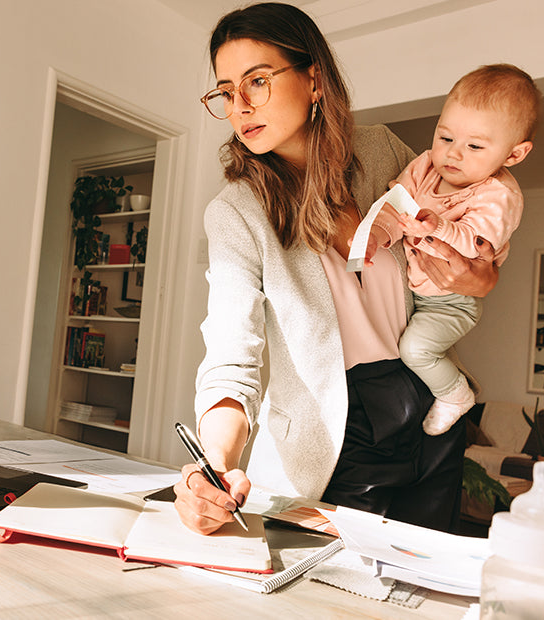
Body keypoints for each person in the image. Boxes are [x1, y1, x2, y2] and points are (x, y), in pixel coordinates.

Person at [175, 2, 498, 536]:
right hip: (338, 428)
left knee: (423, 577)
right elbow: (233, 354)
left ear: (315, 78)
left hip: (428, 396)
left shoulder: (382, 150)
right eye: (227, 91)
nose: (240, 106)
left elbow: (461, 238)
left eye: (257, 81)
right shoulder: (236, 213)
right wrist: (216, 461)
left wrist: (483, 277)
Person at [365, 64, 540, 436]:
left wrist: (439, 227)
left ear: (514, 154)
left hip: (452, 302)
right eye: (445, 137)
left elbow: (476, 243)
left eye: (474, 146)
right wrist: (378, 233)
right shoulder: (426, 165)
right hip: (415, 291)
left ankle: (455, 394)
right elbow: (395, 204)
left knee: (415, 350)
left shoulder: (499, 195)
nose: (453, 155)